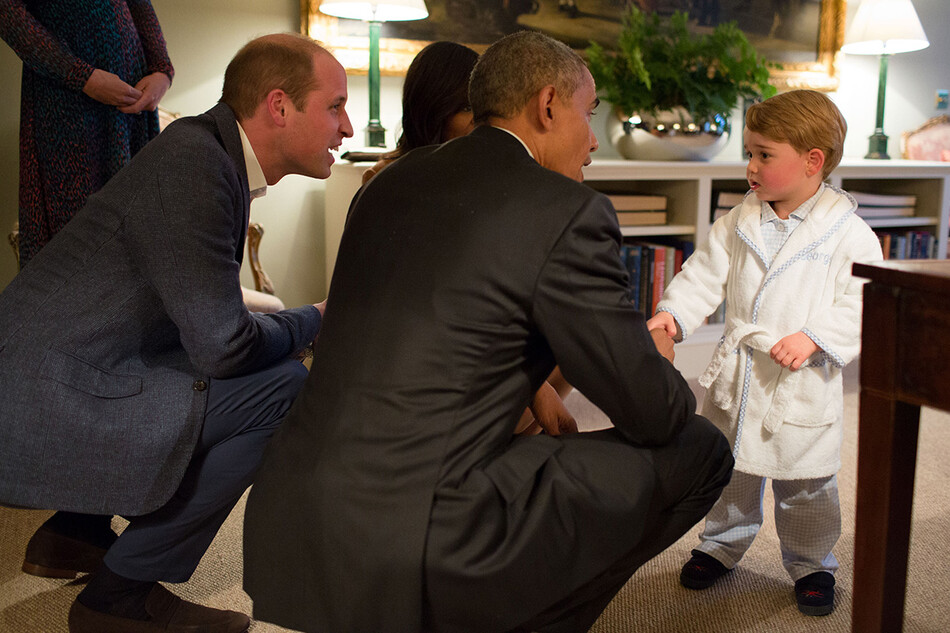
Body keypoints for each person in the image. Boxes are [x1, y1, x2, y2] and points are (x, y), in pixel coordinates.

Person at [243, 30, 733, 633]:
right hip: (423, 537)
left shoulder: (385, 183)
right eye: (590, 112)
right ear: (548, 105)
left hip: (291, 516)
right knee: (702, 449)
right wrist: (655, 360)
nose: (593, 141)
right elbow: (653, 414)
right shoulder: (566, 213)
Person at [0, 32, 353, 633]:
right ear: (279, 105)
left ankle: (74, 534)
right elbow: (225, 347)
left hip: (61, 368)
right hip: (41, 395)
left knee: (223, 373)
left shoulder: (204, 152)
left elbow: (198, 319)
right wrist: (316, 318)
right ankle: (117, 596)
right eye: (336, 106)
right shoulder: (197, 165)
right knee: (283, 387)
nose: (345, 128)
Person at [646, 89, 883, 616]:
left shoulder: (849, 234)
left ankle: (813, 561)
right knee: (731, 471)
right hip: (742, 372)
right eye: (748, 153)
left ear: (812, 161)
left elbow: (862, 299)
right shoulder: (739, 220)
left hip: (801, 379)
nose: (749, 166)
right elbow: (703, 273)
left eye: (763, 154)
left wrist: (816, 337)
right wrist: (675, 314)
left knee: (806, 483)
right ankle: (721, 545)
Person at [361, 39, 573, 434]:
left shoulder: (481, 177)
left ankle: (514, 445)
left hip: (468, 338)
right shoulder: (388, 182)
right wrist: (533, 385)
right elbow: (433, 311)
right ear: (435, 112)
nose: (484, 128)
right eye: (471, 113)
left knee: (565, 340)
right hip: (417, 354)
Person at [0, 0, 174, 267]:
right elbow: (9, 14)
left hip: (133, 102)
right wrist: (80, 76)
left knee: (139, 225)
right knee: (76, 234)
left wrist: (162, 70)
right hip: (67, 100)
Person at [360, 40, 479, 185]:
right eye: (467, 108)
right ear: (434, 109)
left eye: (483, 106)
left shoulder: (490, 171)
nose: (481, 119)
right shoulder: (384, 177)